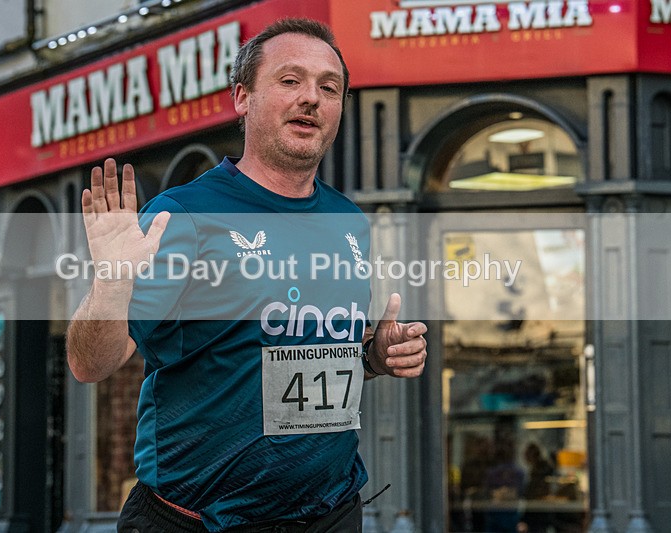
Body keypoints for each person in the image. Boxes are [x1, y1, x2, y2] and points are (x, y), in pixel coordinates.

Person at [66, 18, 428, 532]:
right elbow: (90, 365)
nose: (311, 98)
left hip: (331, 513)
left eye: (329, 88)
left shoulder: (348, 220)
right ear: (242, 97)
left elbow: (313, 354)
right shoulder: (185, 215)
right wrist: (111, 284)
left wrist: (373, 355)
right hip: (197, 520)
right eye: (290, 80)